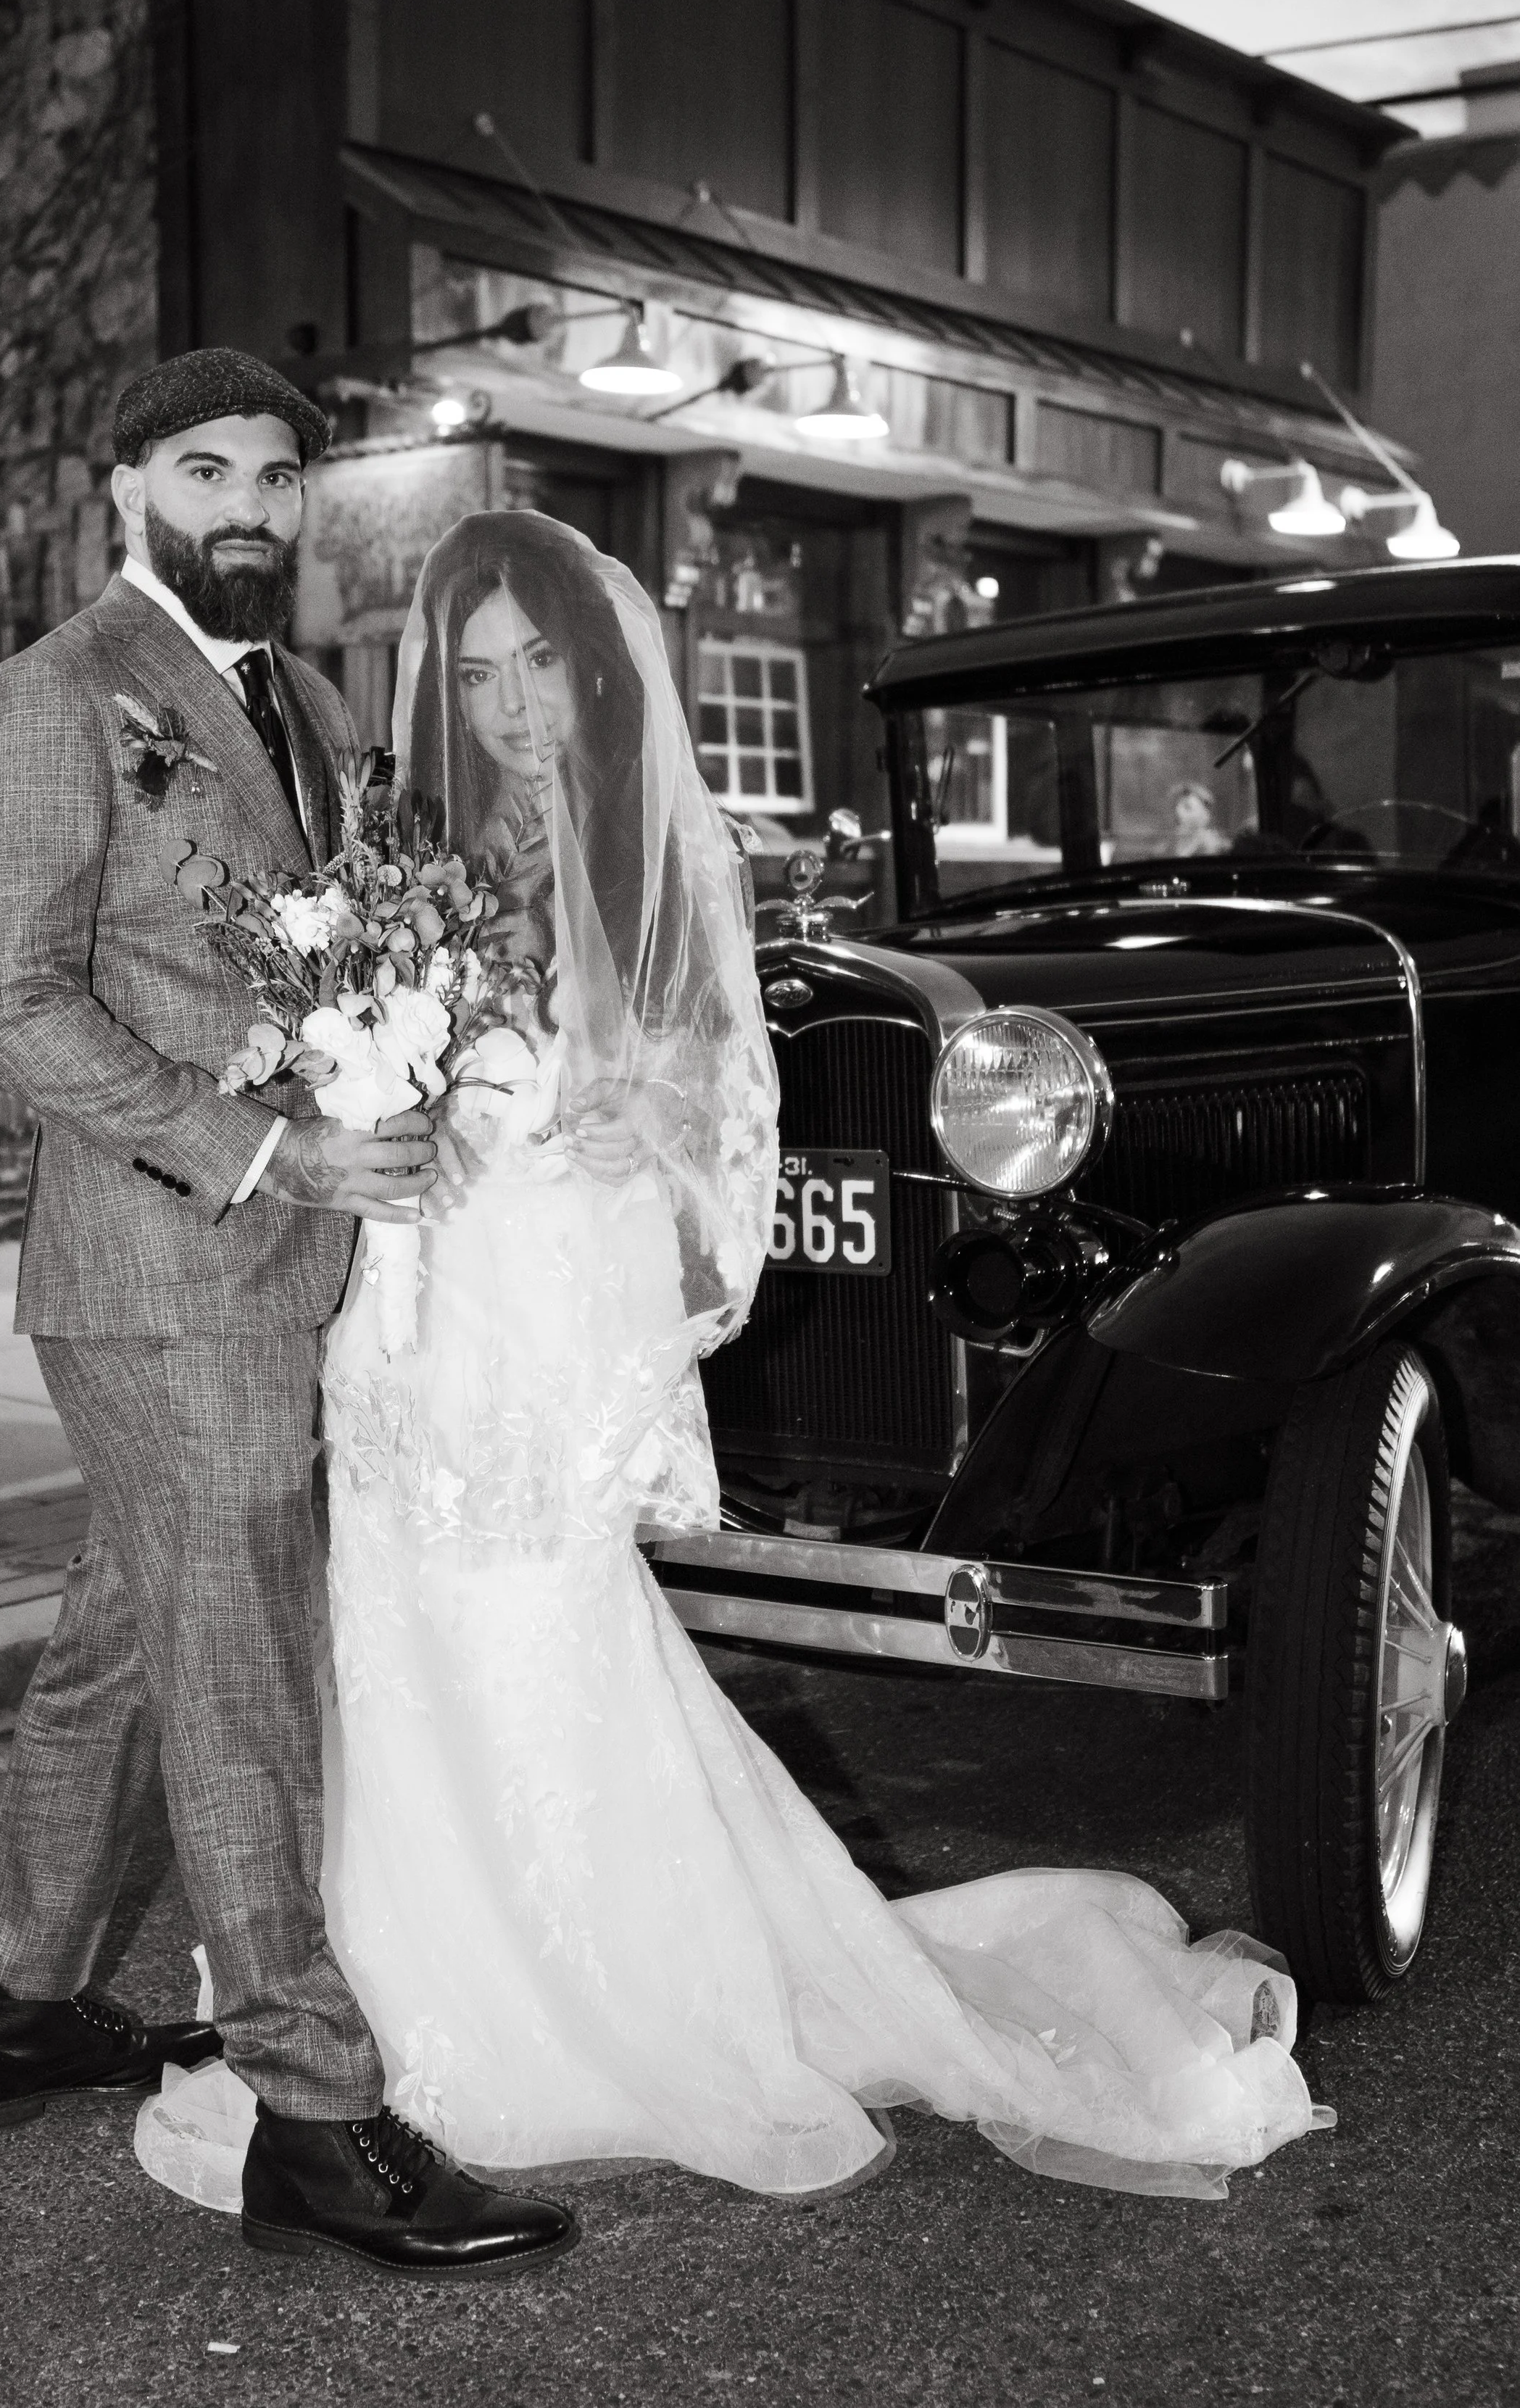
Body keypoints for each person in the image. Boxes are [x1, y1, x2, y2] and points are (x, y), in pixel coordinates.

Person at [136, 511, 1332, 2213]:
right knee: (388, 1642)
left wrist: (606, 1131)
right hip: (407, 1322)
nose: (506, 708)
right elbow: (356, 1078)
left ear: (598, 666)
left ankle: (593, 1999)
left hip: (542, 1317)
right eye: (472, 675)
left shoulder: (650, 857)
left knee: (534, 1635)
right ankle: (378, 2001)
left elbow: (707, 1121)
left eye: (537, 665)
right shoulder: (415, 860)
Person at [0, 353, 575, 2283]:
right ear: (124, 482)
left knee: (123, 1645)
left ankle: (19, 1997)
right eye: (207, 468)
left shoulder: (290, 698)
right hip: (158, 1273)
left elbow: (319, 954)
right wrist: (262, 1154)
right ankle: (315, 2117)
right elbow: (8, 1003)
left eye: (283, 476)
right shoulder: (48, 696)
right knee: (246, 1697)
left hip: (279, 1264)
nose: (252, 506)